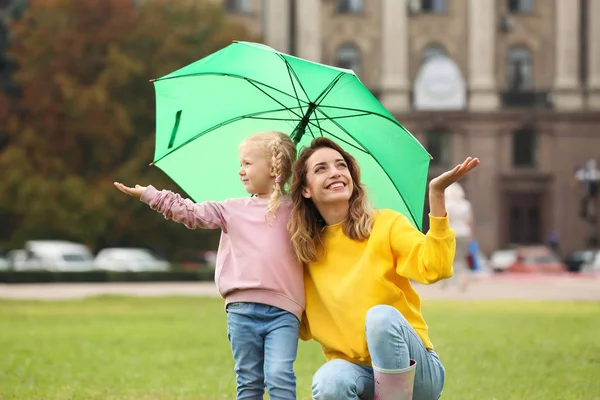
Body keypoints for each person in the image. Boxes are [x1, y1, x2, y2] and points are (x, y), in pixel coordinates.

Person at [114, 131, 304, 400]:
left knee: (280, 377)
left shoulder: (300, 211)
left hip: (284, 313)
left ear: (274, 167)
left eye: (247, 163)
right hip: (241, 312)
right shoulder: (230, 209)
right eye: (241, 164)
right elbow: (190, 213)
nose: (240, 171)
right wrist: (150, 195)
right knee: (249, 381)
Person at [287, 137, 479, 400]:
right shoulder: (302, 252)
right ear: (305, 189)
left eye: (341, 165)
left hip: (415, 374)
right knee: (329, 379)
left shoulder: (386, 224)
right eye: (320, 168)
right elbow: (301, 327)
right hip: (358, 374)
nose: (335, 172)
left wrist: (436, 195)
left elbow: (436, 267)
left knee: (380, 317)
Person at [441, 182, 473, 291]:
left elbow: (445, 222)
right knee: (461, 258)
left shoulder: (447, 205)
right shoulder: (466, 204)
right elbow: (469, 222)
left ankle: (446, 281)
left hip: (452, 233)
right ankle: (463, 278)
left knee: (449, 258)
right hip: (464, 233)